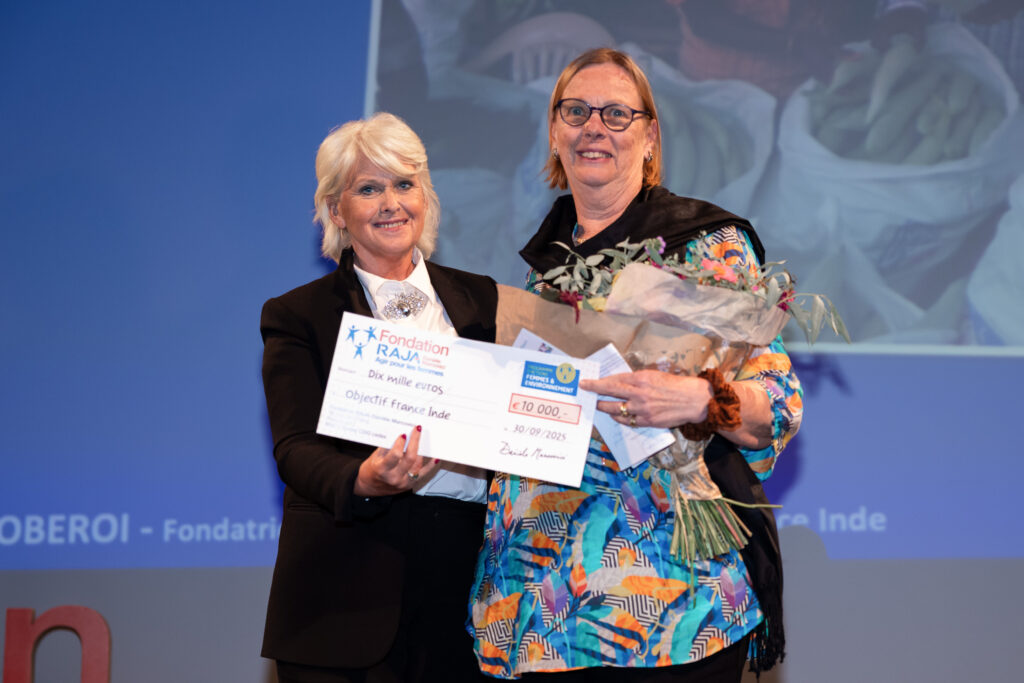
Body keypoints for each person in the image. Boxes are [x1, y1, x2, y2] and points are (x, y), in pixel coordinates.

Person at [468, 48, 802, 681]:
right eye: (576, 111)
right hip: (537, 607)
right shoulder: (541, 272)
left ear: (650, 137)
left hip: (662, 608)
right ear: (554, 131)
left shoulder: (707, 247)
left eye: (617, 114)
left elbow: (776, 403)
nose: (594, 126)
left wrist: (702, 402)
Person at [260, 112, 496, 683]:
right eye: (369, 188)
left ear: (425, 195)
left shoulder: (484, 300)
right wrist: (363, 479)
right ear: (337, 211)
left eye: (404, 184)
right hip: (346, 592)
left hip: (469, 591)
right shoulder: (298, 314)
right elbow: (294, 448)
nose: (391, 202)